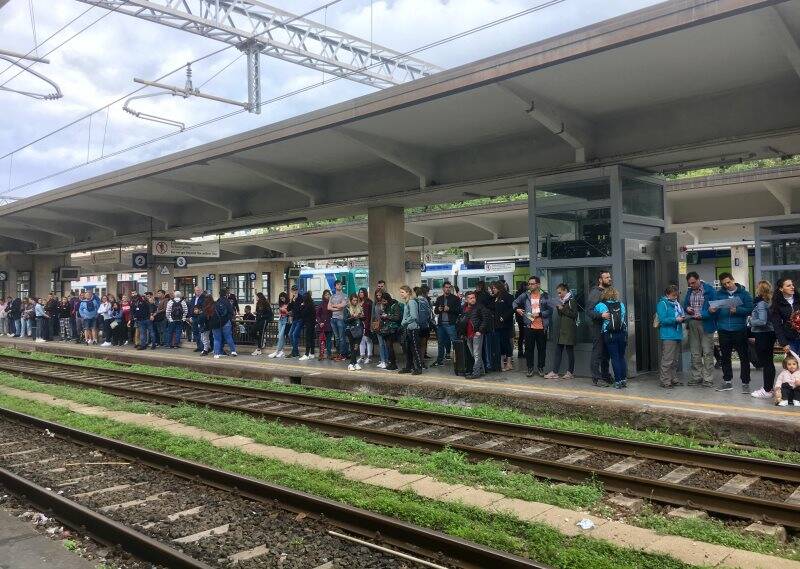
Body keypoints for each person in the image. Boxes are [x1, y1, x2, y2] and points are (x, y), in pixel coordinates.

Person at [709, 272, 753, 392]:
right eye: (724, 284)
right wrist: (712, 310)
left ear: (733, 280)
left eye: (729, 282)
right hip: (723, 330)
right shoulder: (719, 295)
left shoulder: (744, 294)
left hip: (739, 329)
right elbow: (714, 309)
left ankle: (745, 383)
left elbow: (750, 309)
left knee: (744, 357)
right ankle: (727, 381)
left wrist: (737, 310)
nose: (727, 285)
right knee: (725, 357)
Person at [513, 276, 553, 378]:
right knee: (529, 349)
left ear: (538, 285)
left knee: (541, 349)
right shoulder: (525, 295)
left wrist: (539, 314)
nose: (529, 286)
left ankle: (540, 368)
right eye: (529, 284)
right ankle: (530, 368)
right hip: (529, 326)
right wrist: (517, 309)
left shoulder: (545, 296)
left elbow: (550, 311)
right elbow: (514, 303)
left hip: (541, 327)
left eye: (532, 284)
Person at [683, 272, 716, 388]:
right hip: (692, 322)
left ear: (699, 280)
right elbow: (685, 304)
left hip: (706, 323)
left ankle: (708, 378)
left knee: (707, 352)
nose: (692, 285)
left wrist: (703, 315)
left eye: (693, 282)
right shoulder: (689, 291)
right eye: (689, 284)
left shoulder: (710, 290)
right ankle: (697, 377)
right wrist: (687, 308)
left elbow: (714, 308)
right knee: (695, 352)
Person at [594, 287, 628, 389]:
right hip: (622, 333)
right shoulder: (621, 304)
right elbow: (623, 316)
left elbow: (594, 312)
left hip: (609, 334)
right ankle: (623, 379)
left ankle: (617, 381)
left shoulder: (601, 305)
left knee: (614, 357)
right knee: (621, 357)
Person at [544, 283, 578, 380]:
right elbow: (561, 314)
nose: (559, 295)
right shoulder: (564, 301)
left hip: (569, 330)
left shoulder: (572, 301)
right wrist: (559, 307)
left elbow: (574, 314)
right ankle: (555, 372)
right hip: (562, 330)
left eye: (560, 293)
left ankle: (570, 372)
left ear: (565, 290)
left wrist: (562, 308)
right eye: (558, 293)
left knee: (569, 351)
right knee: (558, 350)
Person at [656, 284, 687, 389]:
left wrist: (683, 318)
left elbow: (681, 314)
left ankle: (673, 379)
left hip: (677, 334)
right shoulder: (662, 304)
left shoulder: (677, 304)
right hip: (668, 335)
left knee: (675, 360)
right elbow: (663, 320)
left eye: (676, 295)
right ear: (667, 294)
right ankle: (665, 381)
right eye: (673, 295)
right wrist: (675, 320)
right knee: (667, 359)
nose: (675, 297)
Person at [750, 281, 777, 399]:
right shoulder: (769, 302)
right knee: (769, 362)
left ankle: (767, 390)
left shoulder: (761, 304)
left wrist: (751, 321)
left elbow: (762, 321)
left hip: (763, 334)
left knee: (767, 363)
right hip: (769, 334)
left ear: (759, 290)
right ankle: (768, 388)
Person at [588, 271, 613, 386]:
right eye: (606, 277)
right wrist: (601, 315)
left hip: (607, 327)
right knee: (597, 352)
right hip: (597, 327)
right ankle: (596, 377)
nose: (609, 279)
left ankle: (605, 375)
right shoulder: (595, 293)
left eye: (609, 277)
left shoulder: (608, 291)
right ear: (600, 280)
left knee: (606, 353)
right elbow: (589, 311)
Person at [460, 290, 492, 379]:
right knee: (474, 354)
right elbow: (463, 321)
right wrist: (463, 333)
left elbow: (485, 319)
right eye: (470, 298)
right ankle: (481, 370)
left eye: (474, 298)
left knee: (477, 354)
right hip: (468, 334)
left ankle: (476, 373)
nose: (473, 300)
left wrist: (480, 331)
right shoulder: (464, 308)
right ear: (466, 300)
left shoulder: (480, 307)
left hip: (476, 334)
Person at [432, 281, 461, 367]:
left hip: (451, 324)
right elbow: (435, 311)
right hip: (441, 324)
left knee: (454, 342)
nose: (447, 289)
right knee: (440, 343)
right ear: (443, 288)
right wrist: (439, 309)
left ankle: (458, 361)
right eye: (446, 287)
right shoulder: (439, 298)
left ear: (451, 288)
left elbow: (459, 311)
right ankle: (439, 360)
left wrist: (449, 309)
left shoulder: (455, 298)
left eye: (449, 287)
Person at [770, 277, 800, 357]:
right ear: (781, 289)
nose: (792, 287)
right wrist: (784, 343)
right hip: (790, 339)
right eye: (788, 285)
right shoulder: (776, 305)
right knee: (793, 365)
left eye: (792, 285)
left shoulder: (798, 300)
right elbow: (777, 326)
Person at [398, 285, 423, 375]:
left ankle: (419, 368)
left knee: (415, 349)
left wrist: (404, 322)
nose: (401, 294)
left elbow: (414, 316)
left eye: (402, 292)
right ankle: (409, 367)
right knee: (408, 349)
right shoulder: (407, 302)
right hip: (408, 328)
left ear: (408, 293)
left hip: (413, 328)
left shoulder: (411, 302)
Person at [490, 281, 515, 372]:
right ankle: (500, 363)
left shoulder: (508, 297)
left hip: (504, 325)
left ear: (499, 288)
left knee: (506, 343)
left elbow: (512, 309)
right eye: (492, 289)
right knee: (499, 344)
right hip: (496, 325)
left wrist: (503, 317)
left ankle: (509, 363)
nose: (493, 290)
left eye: (494, 288)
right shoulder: (494, 298)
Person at [210, 290, 237, 359]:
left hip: (216, 323)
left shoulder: (216, 302)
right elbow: (231, 312)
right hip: (226, 322)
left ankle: (216, 354)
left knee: (217, 339)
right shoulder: (227, 302)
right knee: (228, 337)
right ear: (226, 295)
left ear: (219, 294)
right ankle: (233, 351)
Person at [378, 292, 401, 370]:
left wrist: (387, 316)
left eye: (384, 301)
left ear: (388, 299)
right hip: (387, 329)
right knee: (388, 347)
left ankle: (394, 364)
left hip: (392, 329)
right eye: (383, 301)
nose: (384, 303)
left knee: (390, 347)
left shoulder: (395, 305)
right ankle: (392, 363)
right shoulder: (386, 306)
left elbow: (397, 317)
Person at [329, 280, 348, 360]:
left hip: (341, 319)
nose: (340, 286)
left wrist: (333, 306)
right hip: (333, 319)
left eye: (340, 284)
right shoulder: (332, 296)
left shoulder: (344, 295)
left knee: (341, 337)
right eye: (338, 284)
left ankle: (343, 354)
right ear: (335, 286)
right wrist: (337, 307)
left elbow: (343, 305)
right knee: (336, 338)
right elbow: (328, 307)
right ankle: (339, 353)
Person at [344, 293, 364, 371]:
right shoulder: (347, 308)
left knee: (356, 347)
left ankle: (353, 363)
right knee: (353, 347)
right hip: (351, 330)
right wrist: (353, 317)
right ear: (350, 300)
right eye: (354, 300)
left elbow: (363, 318)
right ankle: (352, 363)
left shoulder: (360, 307)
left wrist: (361, 316)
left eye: (356, 300)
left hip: (359, 329)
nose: (355, 302)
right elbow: (345, 320)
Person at [268, 291, 290, 358]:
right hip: (280, 320)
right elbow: (280, 312)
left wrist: (285, 311)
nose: (282, 299)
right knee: (281, 336)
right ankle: (281, 351)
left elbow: (289, 313)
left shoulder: (289, 303)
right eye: (281, 298)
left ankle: (277, 351)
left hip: (286, 320)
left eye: (283, 298)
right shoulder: (280, 304)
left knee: (280, 335)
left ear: (285, 297)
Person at [356, 288, 373, 365]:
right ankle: (362, 356)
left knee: (368, 340)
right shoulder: (358, 302)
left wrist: (368, 325)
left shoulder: (369, 302)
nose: (360, 294)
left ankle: (369, 357)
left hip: (367, 323)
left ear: (365, 293)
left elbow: (369, 315)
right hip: (359, 323)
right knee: (361, 340)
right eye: (359, 292)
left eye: (362, 292)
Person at [372, 289, 388, 368]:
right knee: (381, 344)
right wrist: (372, 325)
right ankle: (383, 360)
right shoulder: (375, 303)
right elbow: (373, 315)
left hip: (384, 325)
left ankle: (385, 361)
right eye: (377, 295)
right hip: (378, 325)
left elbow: (386, 313)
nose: (378, 297)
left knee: (384, 344)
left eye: (380, 295)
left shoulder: (385, 303)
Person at [188, 287, 207, 353]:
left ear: (201, 291)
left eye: (199, 290)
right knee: (195, 332)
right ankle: (199, 347)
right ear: (195, 291)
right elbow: (190, 307)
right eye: (196, 290)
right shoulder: (193, 298)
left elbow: (205, 307)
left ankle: (204, 347)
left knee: (201, 332)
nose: (198, 291)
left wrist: (199, 311)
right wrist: (190, 316)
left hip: (200, 317)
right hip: (194, 317)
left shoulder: (204, 298)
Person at [315, 290, 333, 360]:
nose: (327, 296)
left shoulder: (332, 303)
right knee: (321, 341)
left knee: (329, 341)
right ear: (323, 296)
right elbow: (317, 314)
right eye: (326, 295)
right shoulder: (321, 304)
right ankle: (321, 354)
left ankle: (329, 354)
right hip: (322, 325)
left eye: (328, 294)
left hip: (329, 324)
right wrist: (320, 322)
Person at [287, 287, 305, 358]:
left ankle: (294, 352)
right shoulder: (292, 299)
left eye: (296, 290)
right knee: (290, 334)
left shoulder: (301, 298)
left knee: (294, 334)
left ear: (298, 290)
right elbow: (288, 309)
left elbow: (299, 309)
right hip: (295, 319)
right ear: (291, 291)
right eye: (293, 290)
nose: (294, 292)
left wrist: (295, 301)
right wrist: (291, 301)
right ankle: (296, 352)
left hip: (300, 319)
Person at [299, 292, 317, 361]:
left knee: (308, 339)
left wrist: (302, 306)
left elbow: (303, 313)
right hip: (312, 323)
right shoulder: (312, 304)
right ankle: (312, 353)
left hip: (308, 323)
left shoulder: (307, 305)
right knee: (311, 339)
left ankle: (306, 354)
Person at [514, 281, 527, 359]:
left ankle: (520, 351)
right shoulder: (526, 294)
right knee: (526, 334)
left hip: (519, 316)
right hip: (525, 315)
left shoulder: (517, 294)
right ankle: (525, 351)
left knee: (521, 334)